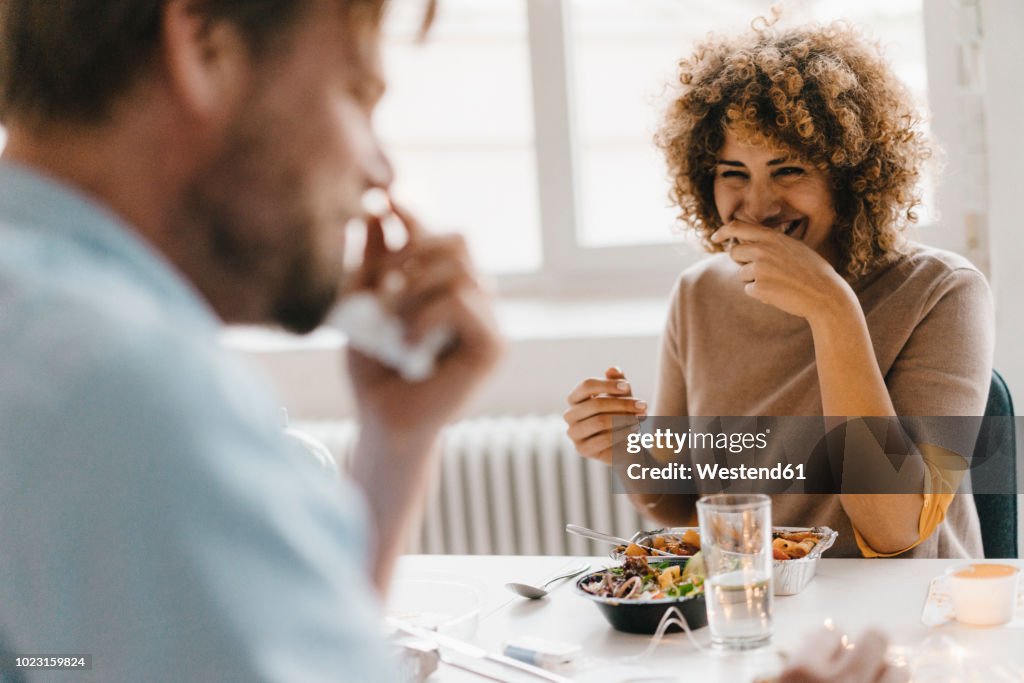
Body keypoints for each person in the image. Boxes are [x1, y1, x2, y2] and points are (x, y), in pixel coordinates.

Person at [0, 0, 502, 680]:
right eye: (356, 95)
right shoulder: (127, 391)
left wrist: (397, 445)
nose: (379, 169)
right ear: (206, 45)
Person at [563, 19, 994, 558]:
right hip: (755, 611)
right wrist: (626, 447)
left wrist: (833, 310)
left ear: (853, 178)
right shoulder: (699, 295)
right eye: (733, 172)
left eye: (788, 169)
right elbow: (682, 503)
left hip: (904, 618)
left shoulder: (943, 292)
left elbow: (897, 527)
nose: (759, 207)